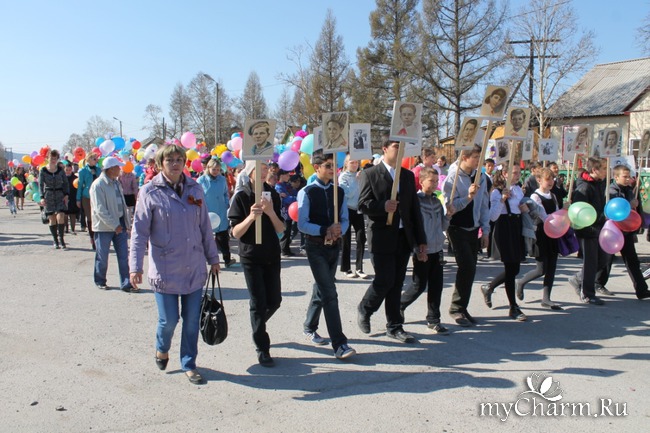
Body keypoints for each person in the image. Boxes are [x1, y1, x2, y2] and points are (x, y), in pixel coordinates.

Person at [129, 144, 220, 385]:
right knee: (169, 320)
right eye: (170, 160)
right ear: (160, 164)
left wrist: (213, 258)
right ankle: (162, 347)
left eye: (179, 159)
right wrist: (135, 266)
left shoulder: (195, 188)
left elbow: (205, 228)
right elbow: (139, 233)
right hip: (166, 268)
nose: (176, 163)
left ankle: (189, 363)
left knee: (191, 321)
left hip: (193, 266)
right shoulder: (149, 192)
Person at [357, 139, 427, 343]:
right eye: (396, 147)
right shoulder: (370, 173)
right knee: (385, 279)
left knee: (396, 283)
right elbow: (362, 204)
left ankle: (395, 326)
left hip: (403, 236)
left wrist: (420, 240)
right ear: (385, 149)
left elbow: (414, 209)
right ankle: (366, 308)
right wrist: (383, 206)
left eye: (402, 148)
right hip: (381, 236)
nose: (400, 151)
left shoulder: (406, 175)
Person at [298, 151, 356, 358]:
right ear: (317, 168)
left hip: (334, 246)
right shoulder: (307, 192)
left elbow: (344, 218)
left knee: (322, 288)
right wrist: (324, 230)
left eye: (334, 166)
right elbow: (302, 224)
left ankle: (309, 325)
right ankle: (340, 344)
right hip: (315, 248)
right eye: (328, 166)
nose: (332, 169)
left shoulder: (338, 192)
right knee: (330, 293)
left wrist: (340, 229)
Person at [229, 160, 285, 366]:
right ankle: (262, 347)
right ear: (250, 173)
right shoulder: (242, 196)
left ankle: (257, 324)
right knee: (258, 303)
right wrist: (252, 217)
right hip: (251, 256)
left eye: (265, 170)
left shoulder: (273, 195)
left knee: (275, 301)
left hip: (271, 255)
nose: (263, 173)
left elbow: (281, 229)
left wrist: (269, 212)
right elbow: (235, 232)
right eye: (258, 170)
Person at [441, 145, 490, 327]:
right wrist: (468, 197)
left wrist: (485, 230)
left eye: (479, 157)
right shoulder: (452, 177)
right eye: (475, 157)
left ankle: (462, 306)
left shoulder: (481, 176)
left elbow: (484, 204)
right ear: (464, 157)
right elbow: (450, 206)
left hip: (473, 228)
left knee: (471, 270)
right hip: (456, 228)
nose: (478, 161)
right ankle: (456, 308)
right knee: (466, 267)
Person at [400, 167, 451, 334]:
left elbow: (442, 225)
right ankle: (399, 304)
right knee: (419, 285)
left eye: (437, 181)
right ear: (421, 181)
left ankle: (434, 319)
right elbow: (414, 227)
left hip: (437, 249)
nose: (435, 184)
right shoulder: (416, 202)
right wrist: (417, 248)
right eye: (431, 181)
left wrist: (449, 216)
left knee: (437, 286)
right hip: (423, 250)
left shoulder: (437, 201)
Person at [595, 165, 650, 300]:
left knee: (632, 260)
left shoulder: (629, 190)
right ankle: (597, 282)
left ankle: (641, 289)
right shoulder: (611, 190)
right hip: (613, 230)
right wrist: (628, 204)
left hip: (626, 230)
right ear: (616, 177)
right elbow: (615, 209)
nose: (628, 179)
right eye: (624, 176)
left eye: (629, 176)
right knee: (606, 259)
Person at [515, 168, 564, 309]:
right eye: (547, 179)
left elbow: (555, 212)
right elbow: (543, 215)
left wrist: (563, 213)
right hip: (541, 235)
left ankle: (546, 298)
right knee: (541, 269)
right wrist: (557, 218)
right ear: (539, 180)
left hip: (553, 233)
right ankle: (521, 282)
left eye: (552, 179)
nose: (551, 182)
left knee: (552, 267)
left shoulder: (553, 196)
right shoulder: (535, 197)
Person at [568, 157, 608, 305]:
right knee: (591, 262)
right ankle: (587, 294)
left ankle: (577, 279)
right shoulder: (584, 187)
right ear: (594, 170)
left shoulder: (600, 184)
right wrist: (592, 225)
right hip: (587, 229)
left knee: (602, 260)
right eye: (603, 168)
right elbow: (579, 212)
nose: (606, 171)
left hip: (599, 227)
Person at [90, 157, 132, 291]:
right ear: (111, 169)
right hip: (104, 226)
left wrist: (125, 223)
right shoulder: (98, 185)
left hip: (119, 223)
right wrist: (114, 225)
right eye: (117, 167)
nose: (120, 169)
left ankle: (126, 283)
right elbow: (100, 209)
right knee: (103, 255)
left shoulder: (116, 183)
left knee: (124, 256)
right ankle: (100, 280)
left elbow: (122, 204)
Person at [197, 157, 236, 267]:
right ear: (208, 168)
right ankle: (206, 259)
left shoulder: (222, 179)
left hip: (221, 211)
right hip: (208, 212)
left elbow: (225, 193)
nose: (216, 172)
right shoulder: (201, 181)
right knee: (206, 237)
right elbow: (198, 197)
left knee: (223, 236)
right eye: (214, 169)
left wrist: (226, 203)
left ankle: (227, 259)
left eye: (218, 169)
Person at [338, 155, 367, 279]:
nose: (354, 165)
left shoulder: (361, 175)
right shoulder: (343, 176)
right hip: (347, 210)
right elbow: (348, 193)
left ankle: (359, 267)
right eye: (352, 162)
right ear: (346, 163)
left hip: (358, 210)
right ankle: (346, 267)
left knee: (361, 238)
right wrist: (356, 180)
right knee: (346, 239)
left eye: (356, 162)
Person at [39, 150, 69, 250]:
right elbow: (40, 185)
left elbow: (65, 183)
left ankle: (61, 238)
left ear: (57, 159)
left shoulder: (60, 170)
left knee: (61, 216)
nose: (53, 160)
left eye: (55, 158)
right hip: (49, 195)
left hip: (60, 194)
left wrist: (66, 194)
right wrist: (42, 197)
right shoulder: (43, 170)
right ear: (48, 158)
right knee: (52, 218)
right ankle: (55, 240)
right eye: (51, 158)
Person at [77, 153, 100, 250]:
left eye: (96, 158)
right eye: (94, 158)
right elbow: (80, 185)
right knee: (90, 218)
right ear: (88, 159)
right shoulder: (83, 171)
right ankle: (92, 238)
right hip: (86, 197)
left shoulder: (99, 170)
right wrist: (78, 199)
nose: (96, 160)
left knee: (98, 217)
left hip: (98, 196)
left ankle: (98, 238)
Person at [275, 169, 299, 257]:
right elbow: (285, 199)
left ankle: (287, 248)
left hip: (291, 211)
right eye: (287, 175)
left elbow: (293, 194)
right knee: (285, 231)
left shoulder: (287, 185)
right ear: (281, 176)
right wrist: (296, 198)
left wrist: (294, 197)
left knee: (288, 231)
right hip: (284, 212)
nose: (289, 177)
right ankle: (283, 249)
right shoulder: (278, 186)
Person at [63, 163, 79, 233]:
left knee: (73, 214)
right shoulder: (62, 177)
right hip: (64, 197)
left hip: (73, 197)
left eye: (69, 170)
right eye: (66, 170)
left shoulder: (75, 178)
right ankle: (66, 228)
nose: (68, 171)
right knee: (65, 214)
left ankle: (73, 229)